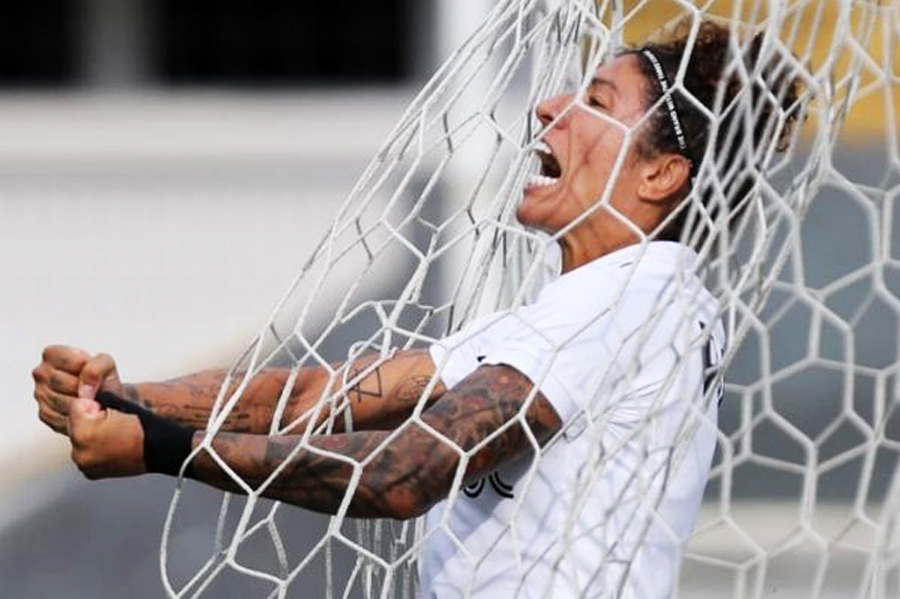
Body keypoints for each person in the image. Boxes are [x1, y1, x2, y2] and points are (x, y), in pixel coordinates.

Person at [31, 20, 799, 598]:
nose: (547, 108)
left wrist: (160, 445)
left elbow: (405, 472)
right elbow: (317, 394)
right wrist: (123, 396)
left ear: (662, 173)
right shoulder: (606, 307)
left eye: (594, 101)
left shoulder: (625, 307)